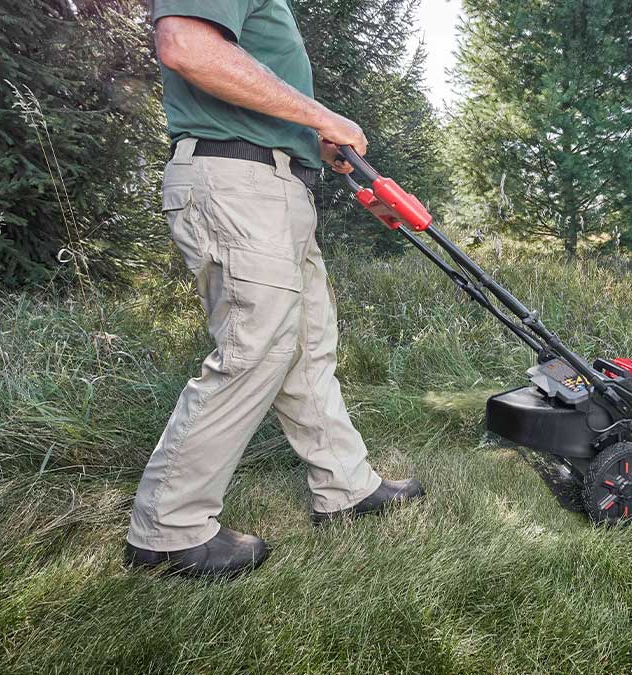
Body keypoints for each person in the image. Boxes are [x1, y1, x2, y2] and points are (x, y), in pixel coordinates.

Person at [124, 0, 425, 579]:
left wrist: (315, 140)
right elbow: (186, 44)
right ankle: (167, 528)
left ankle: (346, 488)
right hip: (237, 182)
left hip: (279, 183)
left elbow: (248, 85)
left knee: (307, 350)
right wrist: (321, 116)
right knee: (252, 350)